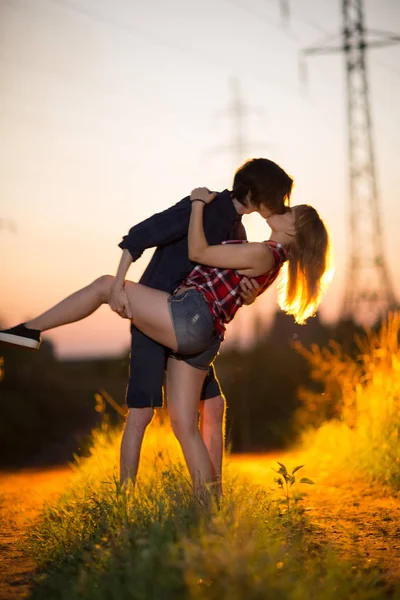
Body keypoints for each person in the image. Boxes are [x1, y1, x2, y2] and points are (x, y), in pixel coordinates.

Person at [0, 186, 332, 499]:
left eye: (290, 212)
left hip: (189, 318)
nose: (282, 209)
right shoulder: (268, 257)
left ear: (293, 231)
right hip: (203, 339)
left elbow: (198, 251)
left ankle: (30, 330)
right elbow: (234, 286)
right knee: (184, 426)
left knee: (105, 286)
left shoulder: (263, 253)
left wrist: (199, 203)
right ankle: (208, 513)